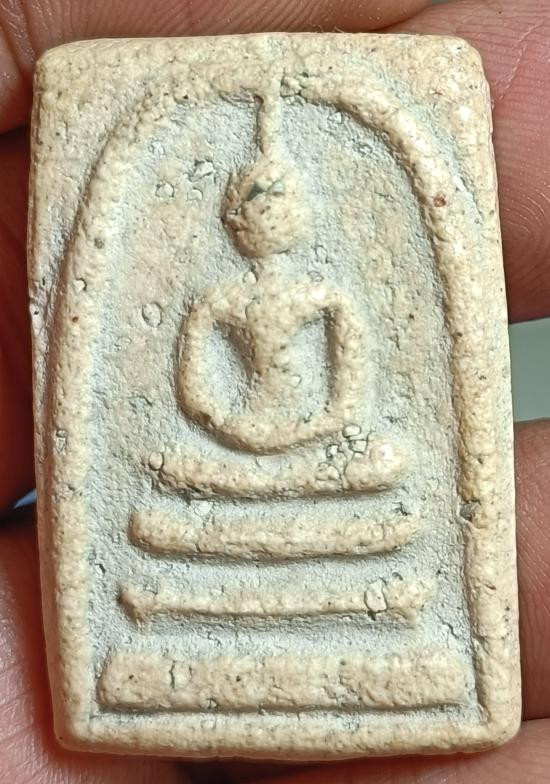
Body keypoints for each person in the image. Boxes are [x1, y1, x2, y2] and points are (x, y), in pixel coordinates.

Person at [0, 1, 549, 782]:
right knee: (167, 478)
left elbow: (345, 395)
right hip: (232, 449)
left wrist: (309, 432)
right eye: (251, 209)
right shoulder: (219, 299)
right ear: (232, 221)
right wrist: (235, 428)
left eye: (277, 207)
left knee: (385, 470)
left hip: (316, 447)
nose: (264, 222)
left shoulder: (325, 296)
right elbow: (197, 389)